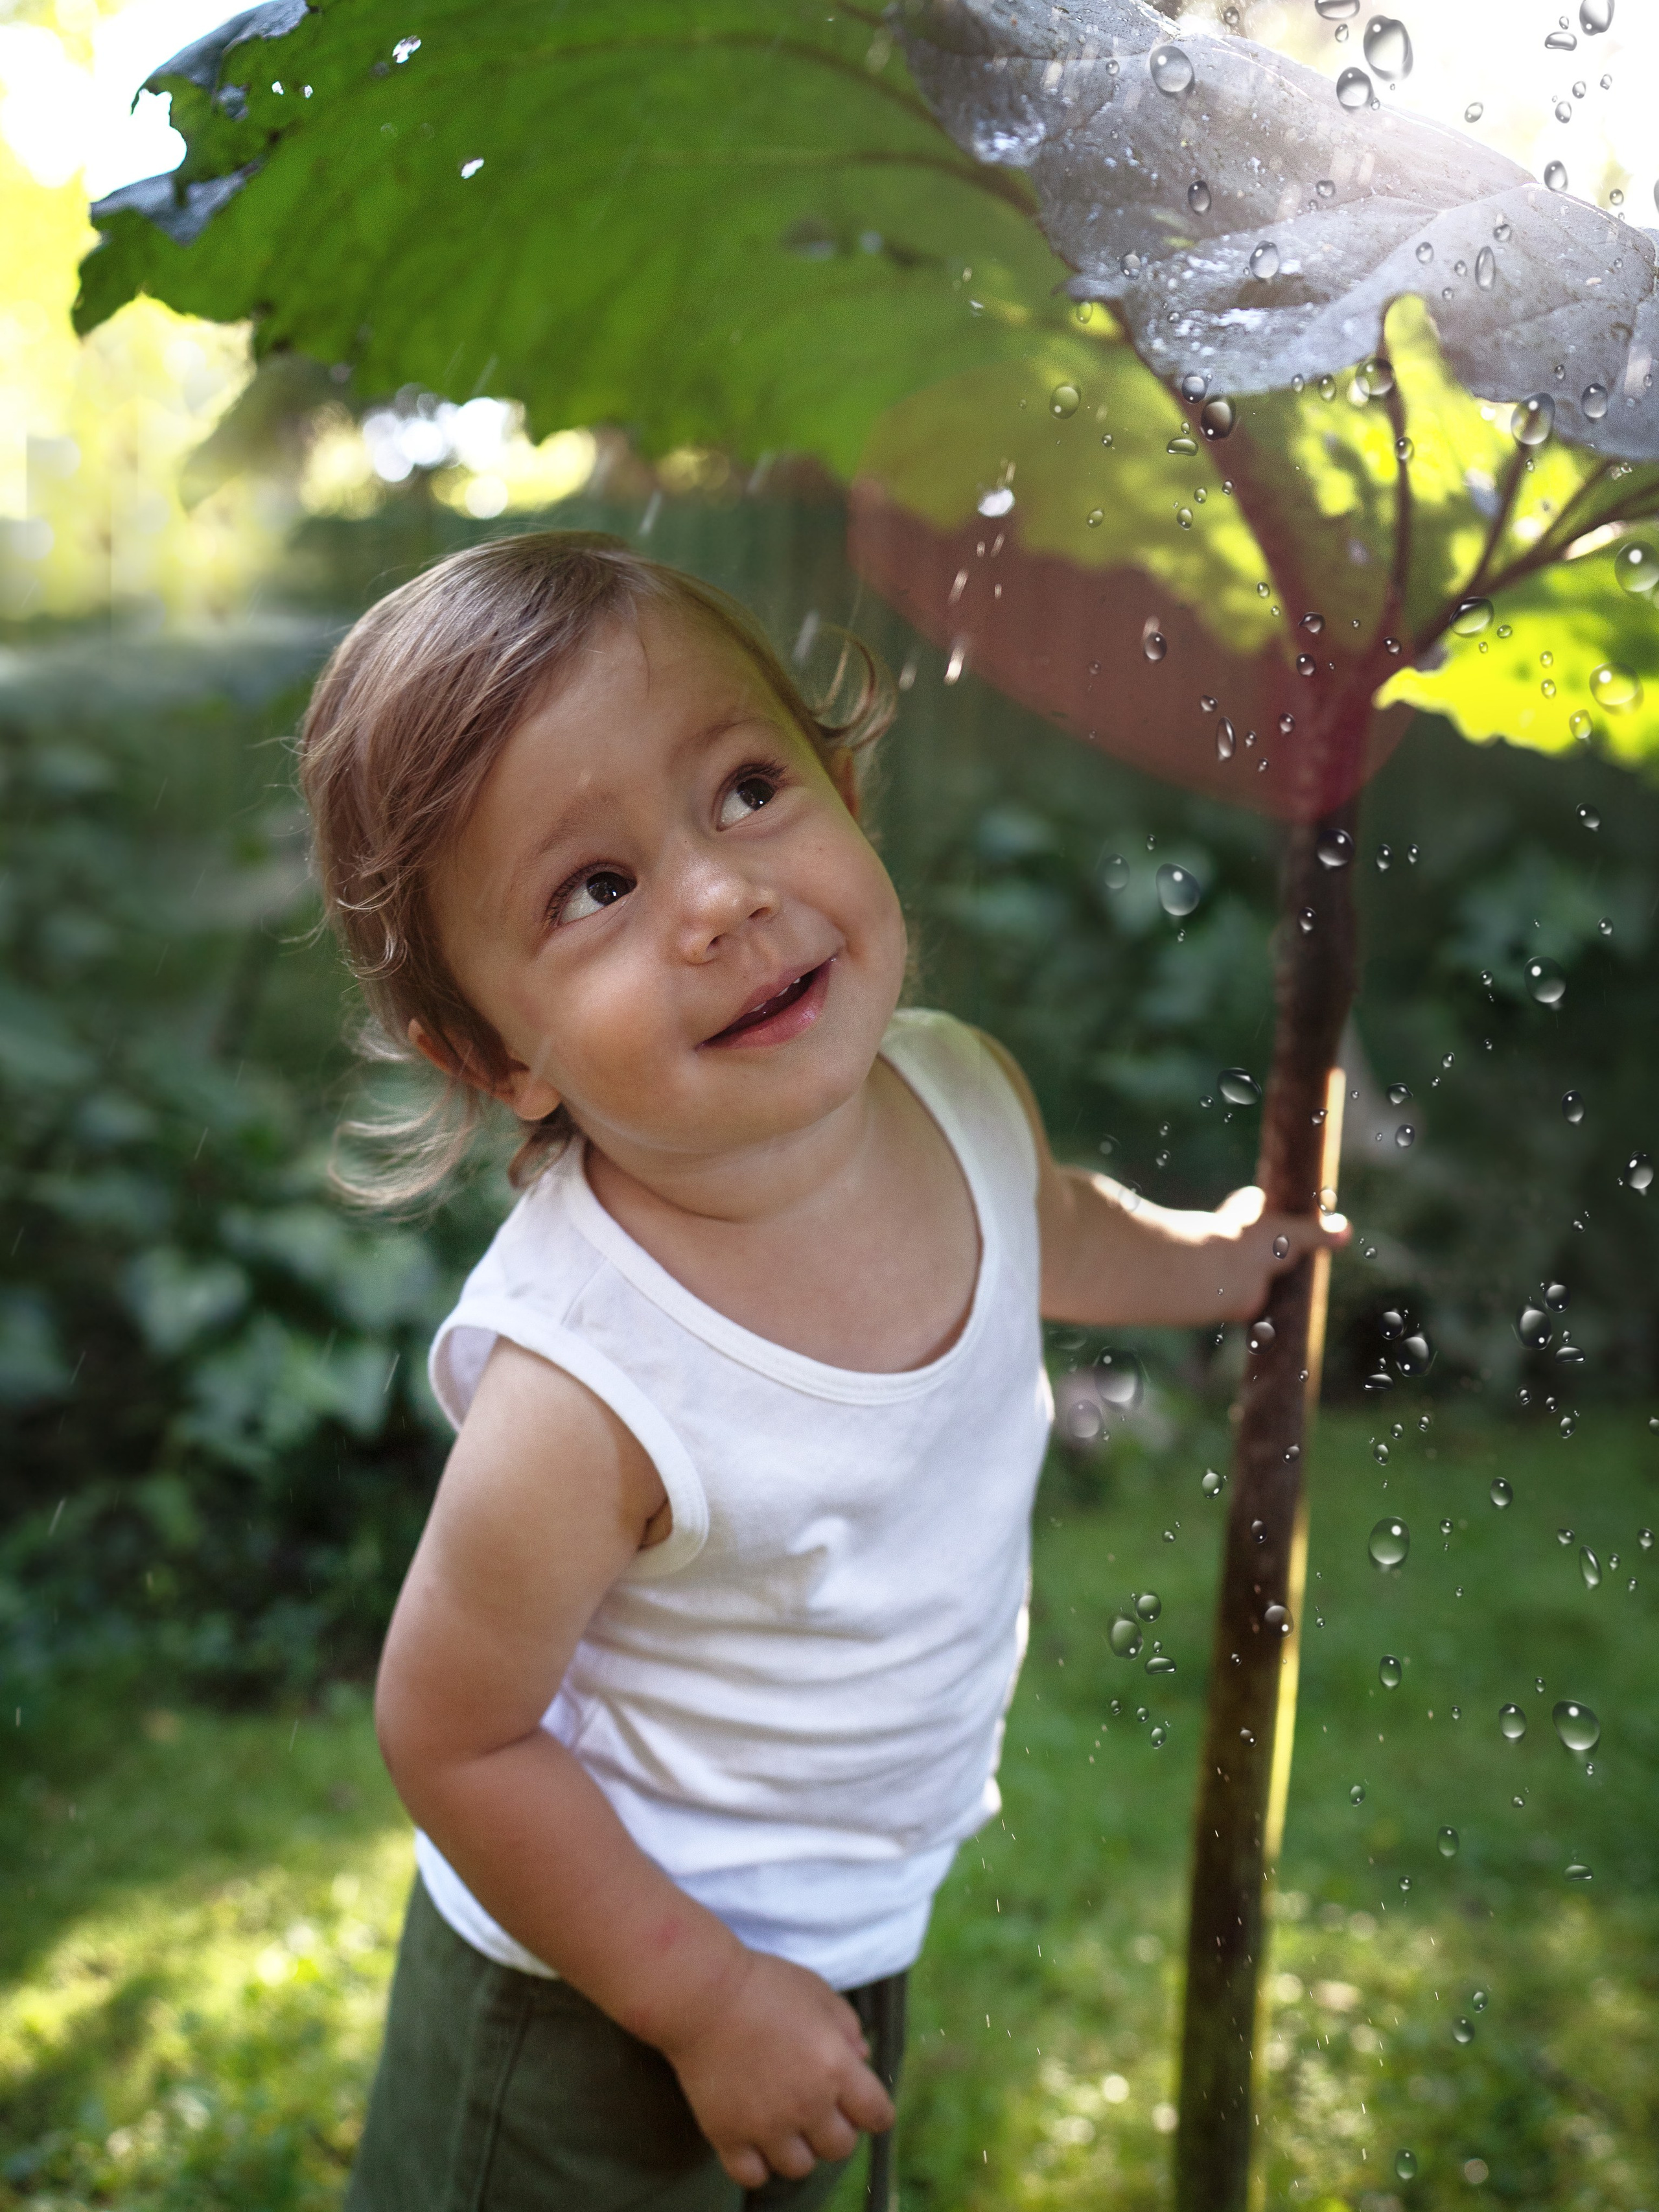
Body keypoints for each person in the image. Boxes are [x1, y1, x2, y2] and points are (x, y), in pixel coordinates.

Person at [299, 532, 1343, 2212]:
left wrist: (1221, 1260)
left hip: (847, 1930)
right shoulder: (587, 1385)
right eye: (596, 890)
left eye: (747, 788)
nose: (720, 895)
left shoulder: (961, 1096)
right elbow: (454, 1734)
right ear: (498, 1054)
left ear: (845, 785)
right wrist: (704, 2001)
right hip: (589, 2004)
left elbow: (1051, 1228)